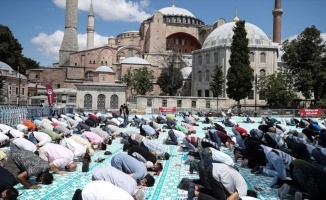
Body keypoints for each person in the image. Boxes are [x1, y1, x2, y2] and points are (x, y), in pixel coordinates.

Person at [184, 162, 257, 200]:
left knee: (217, 195)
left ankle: (195, 188)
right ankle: (194, 193)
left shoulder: (241, 186)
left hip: (213, 169)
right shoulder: (243, 191)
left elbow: (225, 193)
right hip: (215, 172)